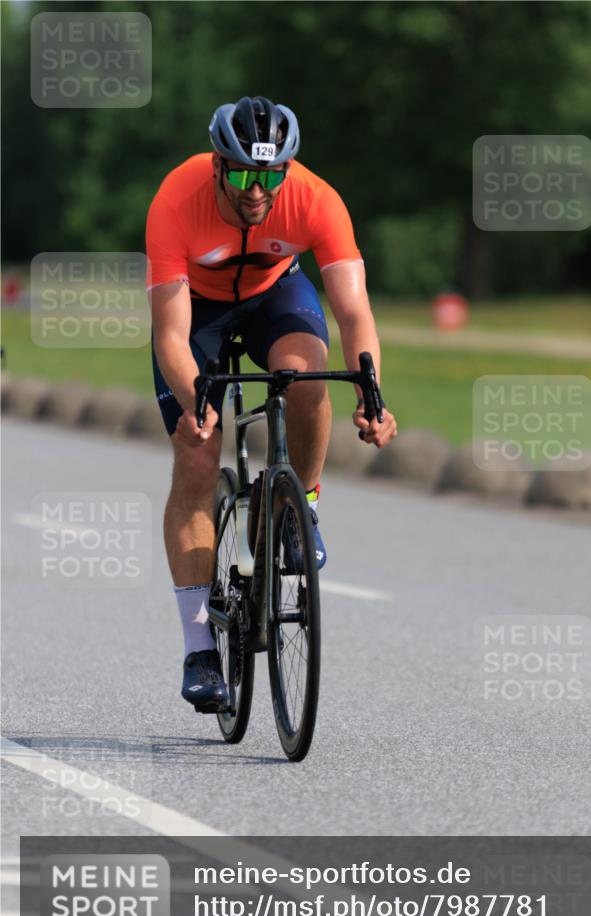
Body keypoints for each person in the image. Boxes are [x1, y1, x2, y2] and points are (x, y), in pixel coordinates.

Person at [146, 95, 397, 711]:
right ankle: (200, 647)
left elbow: (354, 311)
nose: (255, 191)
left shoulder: (316, 198)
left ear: (286, 169)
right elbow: (170, 336)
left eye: (268, 176)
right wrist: (194, 402)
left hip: (273, 295)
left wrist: (373, 392)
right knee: (198, 453)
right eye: (240, 174)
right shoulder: (176, 201)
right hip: (196, 314)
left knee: (307, 378)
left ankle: (300, 506)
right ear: (216, 165)